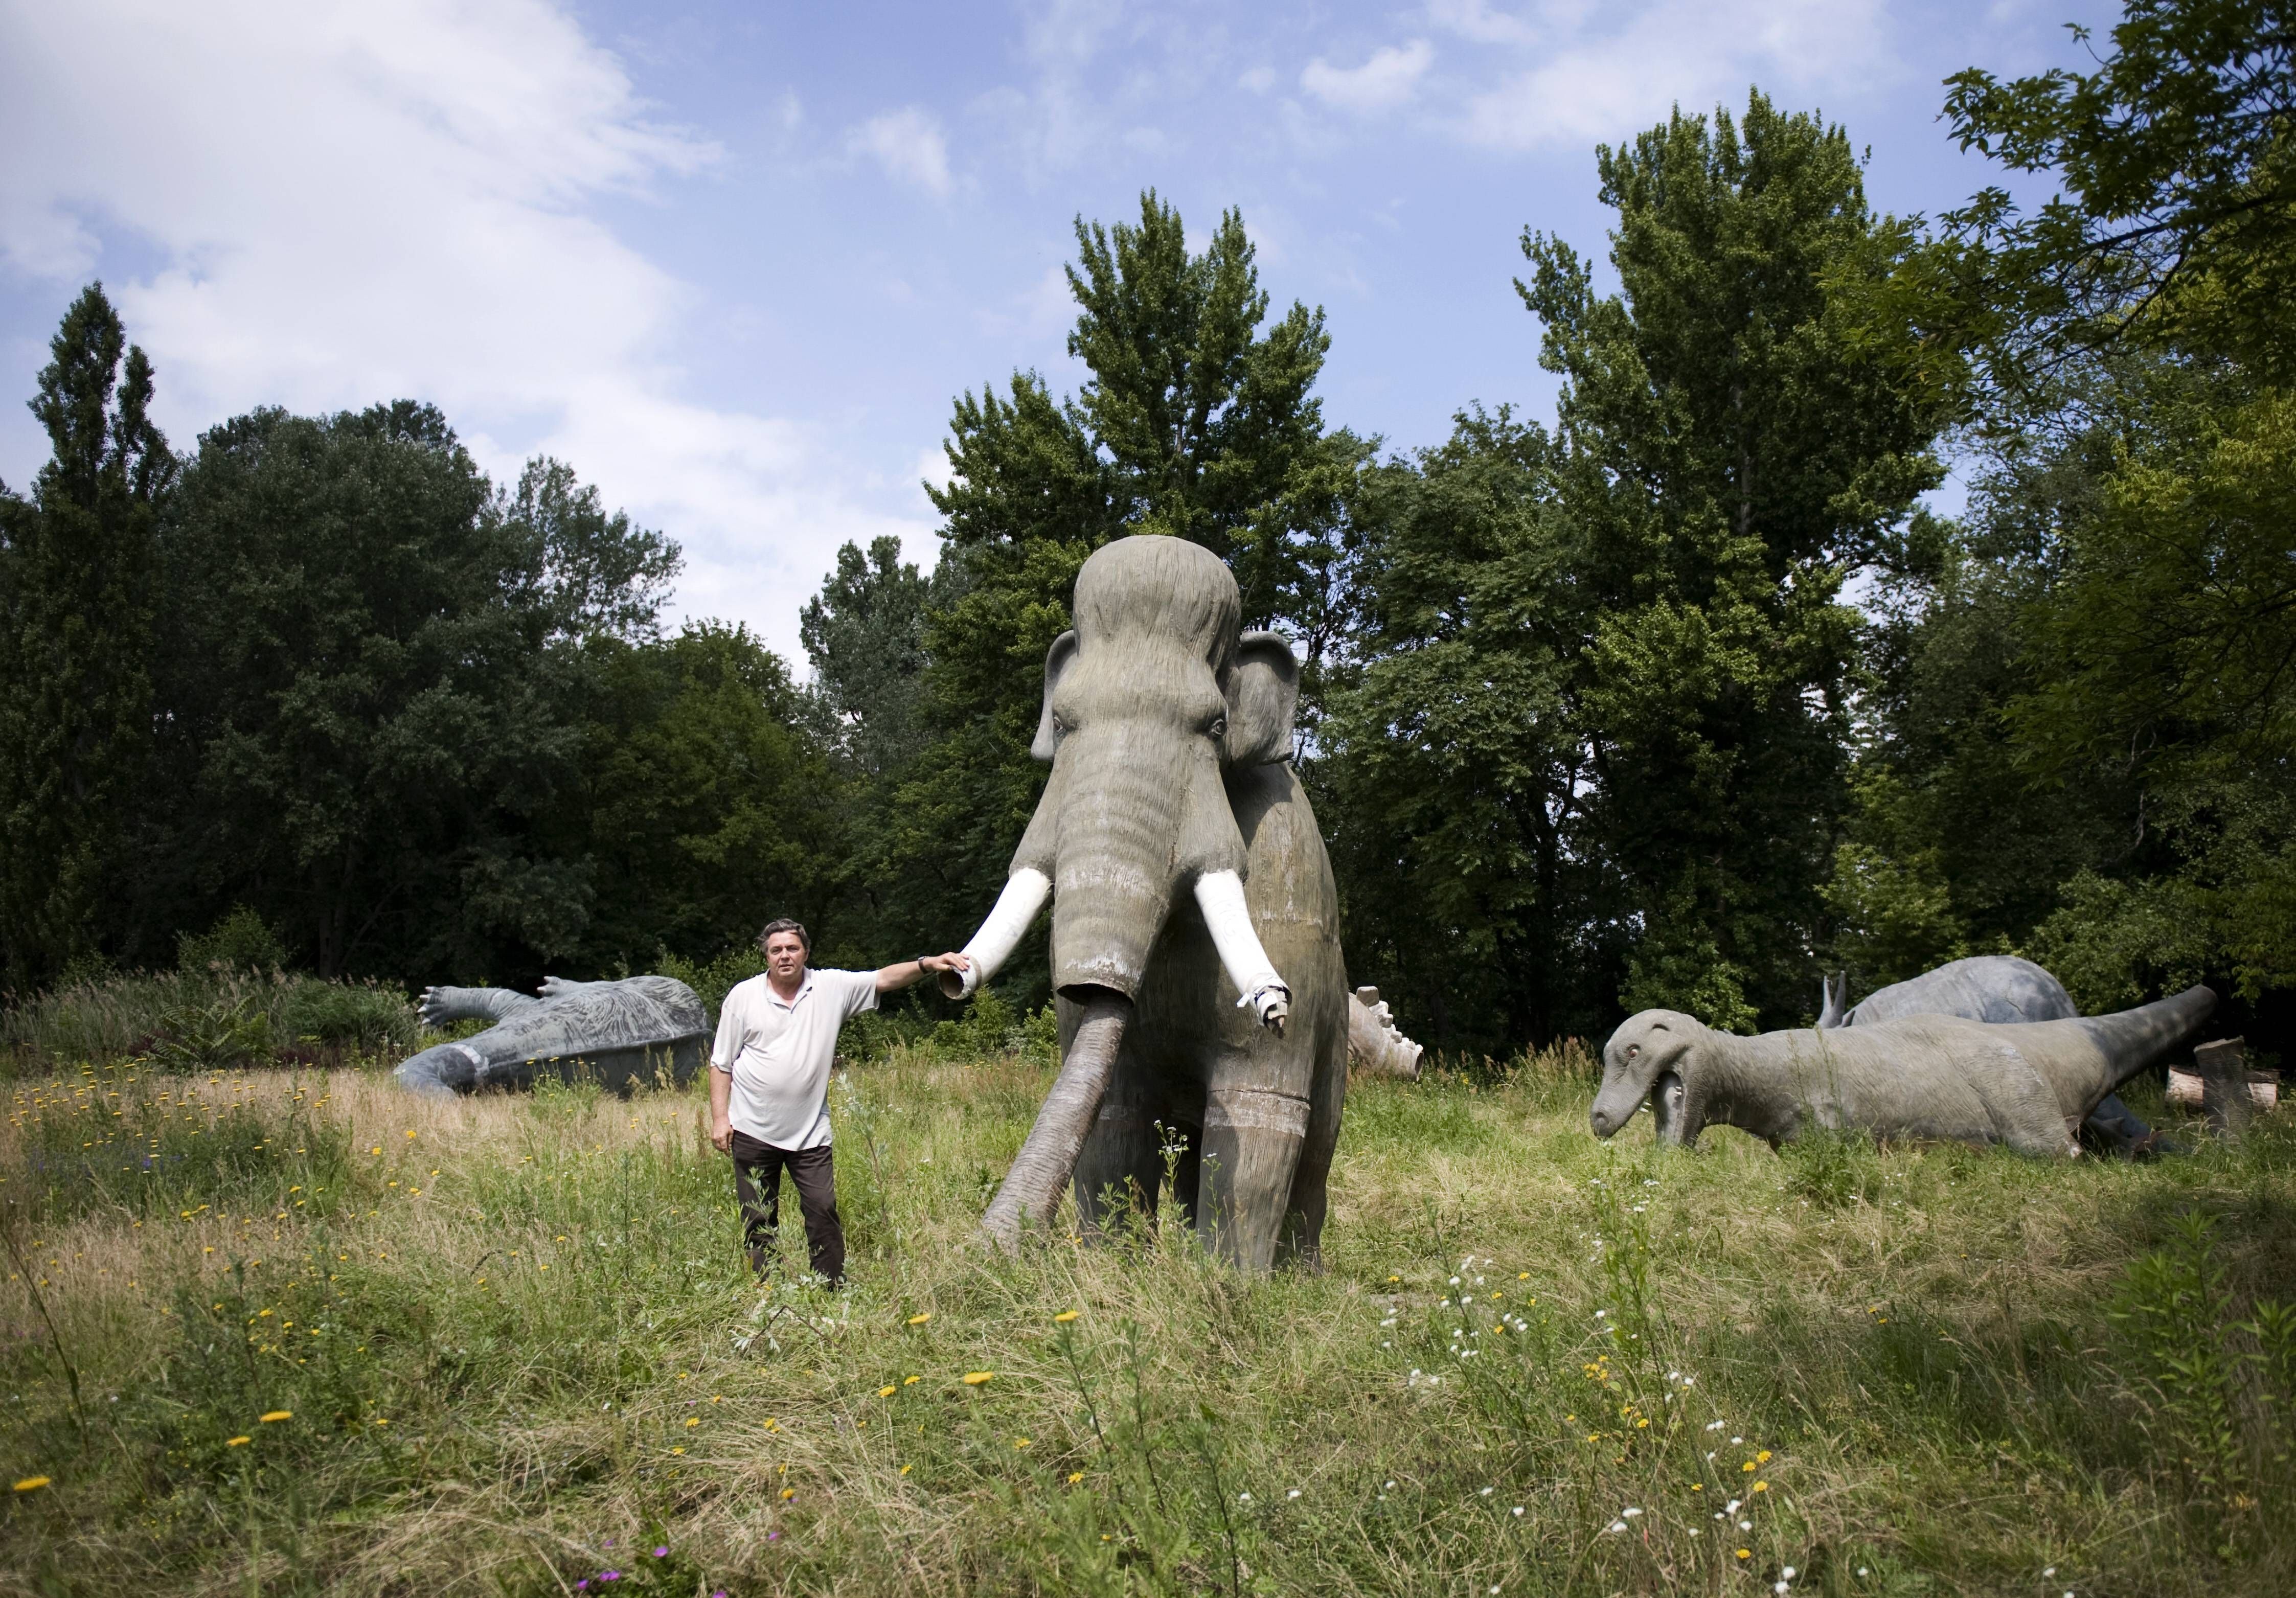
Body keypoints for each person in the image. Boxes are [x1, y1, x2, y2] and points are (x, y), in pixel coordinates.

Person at [709, 918, 968, 1285]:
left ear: (806, 952)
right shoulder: (743, 997)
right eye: (776, 950)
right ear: (766, 956)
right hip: (752, 1128)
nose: (785, 956)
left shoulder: (830, 987)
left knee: (822, 1209)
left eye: (792, 948)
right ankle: (768, 1292)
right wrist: (721, 1120)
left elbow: (883, 978)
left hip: (810, 1131)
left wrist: (928, 964)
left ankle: (829, 1287)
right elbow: (721, 1063)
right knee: (758, 1215)